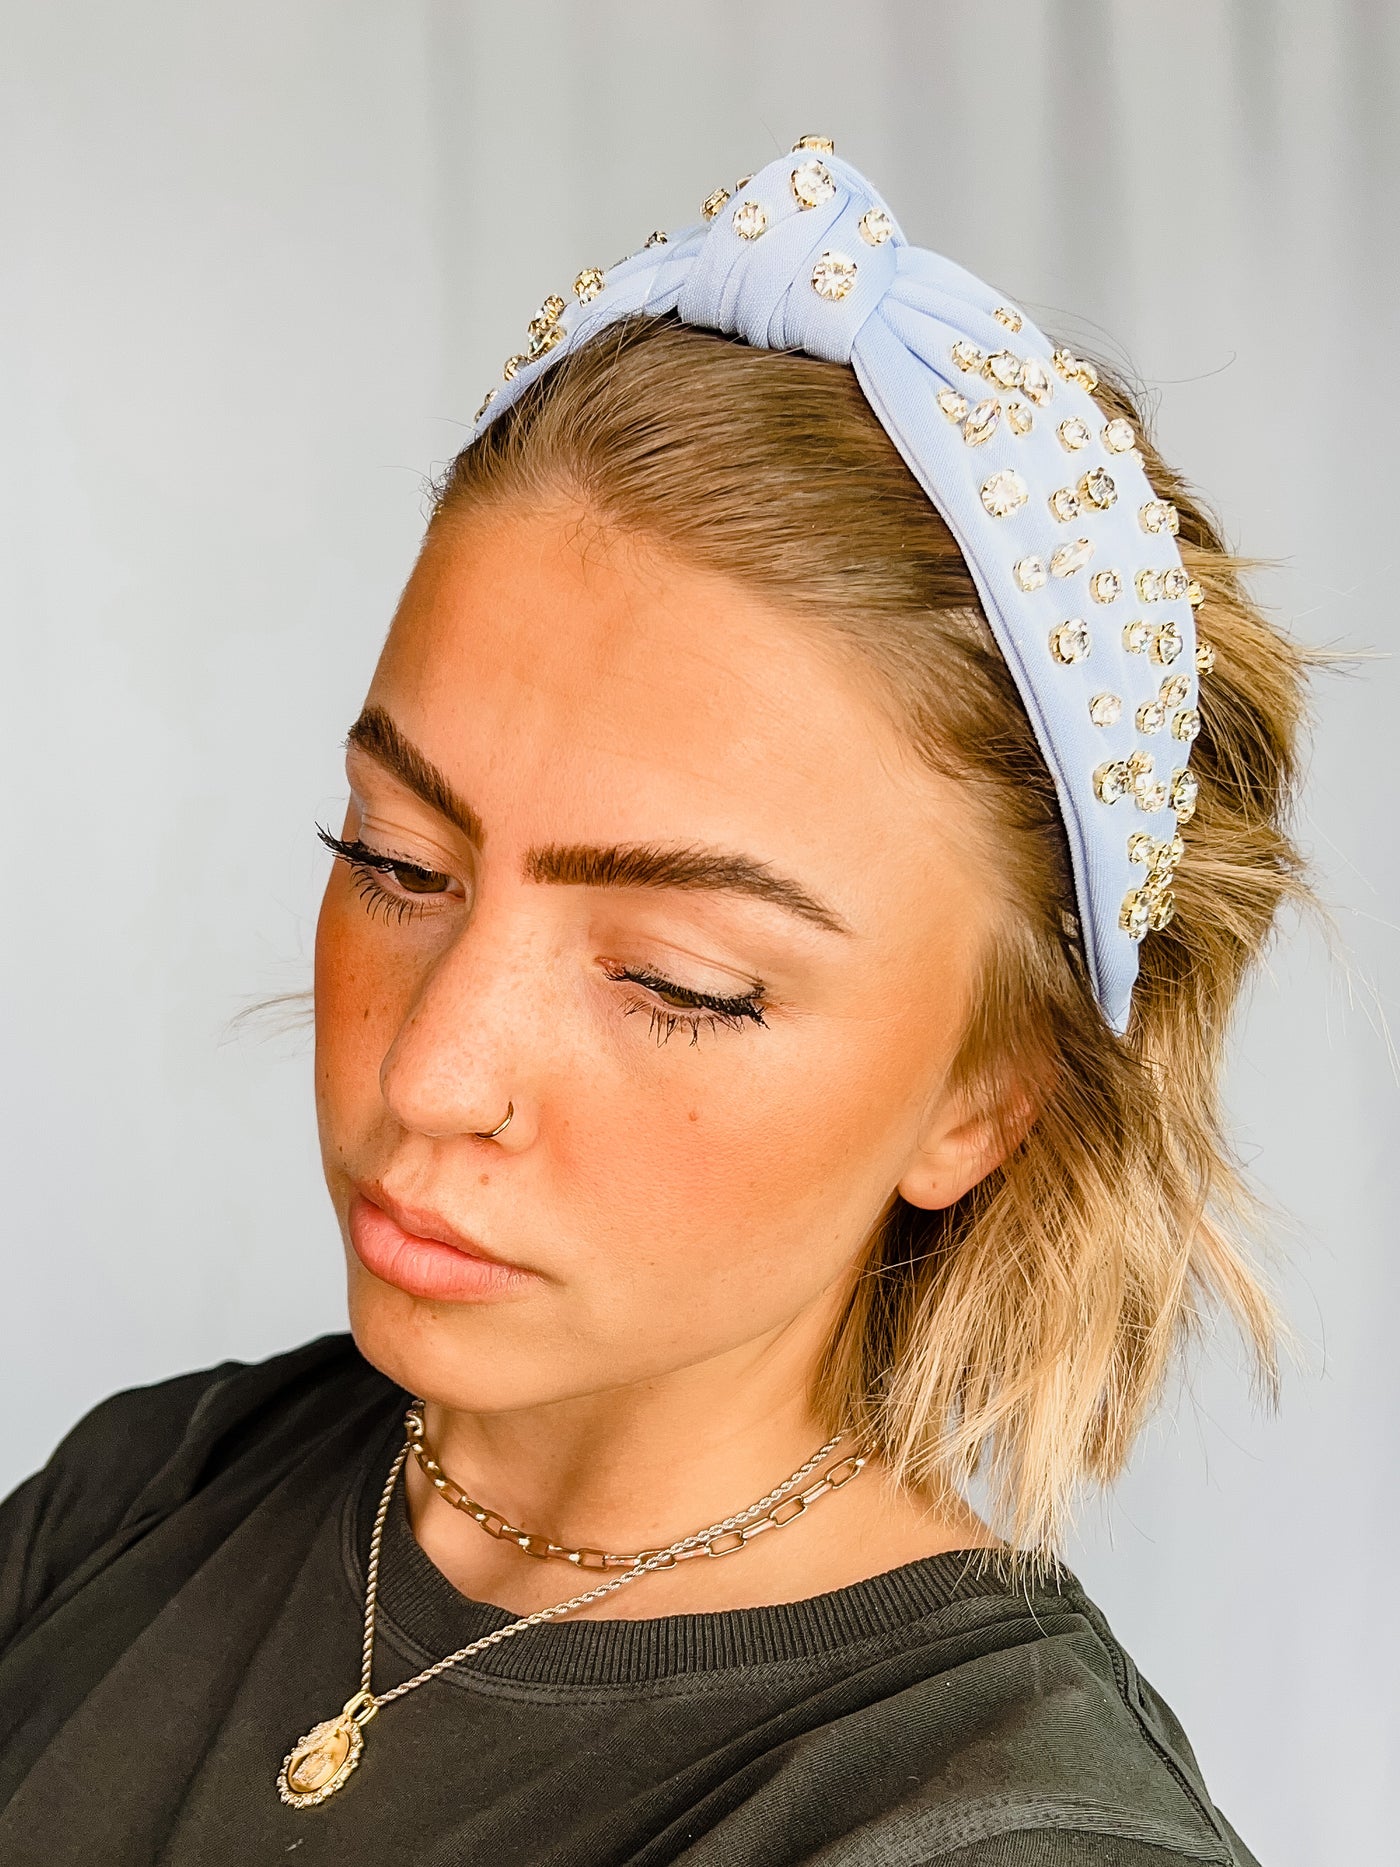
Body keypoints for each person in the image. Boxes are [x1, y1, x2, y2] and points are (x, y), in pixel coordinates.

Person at [0, 137, 1318, 1866]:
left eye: (675, 982)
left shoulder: (995, 1837)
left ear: (989, 1093)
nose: (435, 1070)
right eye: (395, 859)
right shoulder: (152, 1486)